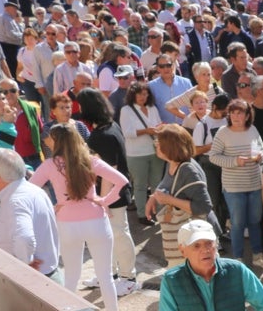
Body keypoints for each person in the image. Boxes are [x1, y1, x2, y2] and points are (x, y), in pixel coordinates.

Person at [30, 123, 129, 311]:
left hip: (67, 224)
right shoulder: (91, 160)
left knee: (72, 275)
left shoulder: (49, 164)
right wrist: (103, 200)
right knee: (105, 275)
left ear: (56, 141)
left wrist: (53, 206)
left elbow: (30, 190)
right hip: (96, 220)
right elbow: (122, 181)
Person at [77, 87, 137, 296]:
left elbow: (110, 172)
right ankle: (109, 274)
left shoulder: (102, 135)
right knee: (107, 236)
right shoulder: (110, 127)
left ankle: (128, 277)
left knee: (119, 234)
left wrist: (103, 201)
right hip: (112, 194)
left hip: (112, 196)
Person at [206, 98, 263, 266]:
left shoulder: (252, 129)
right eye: (233, 113)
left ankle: (257, 255)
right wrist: (234, 161)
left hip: (255, 184)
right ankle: (238, 258)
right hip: (233, 187)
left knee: (255, 222)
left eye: (240, 113)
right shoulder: (223, 132)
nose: (235, 116)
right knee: (237, 224)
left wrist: (261, 156)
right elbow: (213, 156)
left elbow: (262, 149)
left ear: (248, 116)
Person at [0, 147, 59, 280]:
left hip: (35, 282)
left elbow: (24, 238)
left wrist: (26, 264)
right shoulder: (32, 190)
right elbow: (10, 234)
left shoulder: (16, 201)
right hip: (45, 276)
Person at [145, 124, 213, 271]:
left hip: (195, 241)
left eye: (159, 142)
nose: (156, 144)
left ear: (170, 146)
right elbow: (168, 186)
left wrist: (168, 200)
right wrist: (154, 196)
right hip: (186, 241)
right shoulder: (172, 163)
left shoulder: (188, 170)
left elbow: (204, 207)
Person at [119, 80, 164, 223]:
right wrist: (147, 131)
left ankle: (160, 212)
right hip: (136, 154)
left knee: (158, 183)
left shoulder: (153, 108)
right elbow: (127, 133)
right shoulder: (126, 110)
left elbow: (158, 124)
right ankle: (142, 214)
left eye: (145, 94)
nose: (142, 97)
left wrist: (160, 129)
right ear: (132, 95)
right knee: (140, 185)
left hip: (155, 151)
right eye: (139, 94)